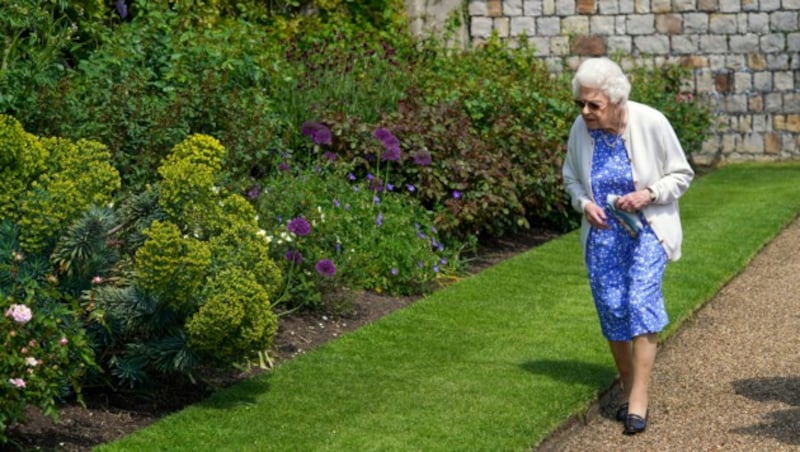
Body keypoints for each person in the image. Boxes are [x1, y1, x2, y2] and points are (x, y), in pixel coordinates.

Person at [561, 57, 694, 435]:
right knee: (613, 307)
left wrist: (648, 194)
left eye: (593, 105)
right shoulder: (581, 130)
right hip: (604, 234)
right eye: (581, 104)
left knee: (639, 300)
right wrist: (584, 204)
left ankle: (638, 399)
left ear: (616, 101)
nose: (585, 111)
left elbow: (682, 174)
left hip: (648, 229)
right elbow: (570, 177)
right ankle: (626, 382)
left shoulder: (650, 122)